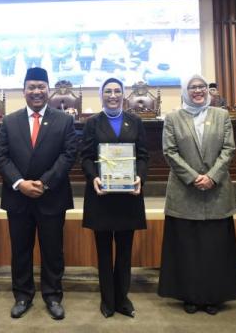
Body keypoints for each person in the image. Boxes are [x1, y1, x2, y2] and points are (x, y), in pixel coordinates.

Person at [0, 67, 77, 320]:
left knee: (53, 250)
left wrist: (43, 182)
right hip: (18, 196)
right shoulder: (10, 120)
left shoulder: (64, 120)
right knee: (20, 250)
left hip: (51, 195)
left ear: (48, 90)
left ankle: (53, 296)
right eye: (32, 87)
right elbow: (0, 156)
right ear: (24, 91)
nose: (37, 91)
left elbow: (68, 154)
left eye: (41, 86)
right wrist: (20, 183)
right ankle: (22, 295)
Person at [158, 74, 236, 315]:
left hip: (217, 192)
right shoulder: (173, 118)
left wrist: (212, 177)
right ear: (185, 91)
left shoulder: (222, 115)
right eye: (192, 87)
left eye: (202, 87)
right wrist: (194, 177)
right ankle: (190, 296)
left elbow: (229, 149)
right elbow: (170, 152)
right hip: (185, 192)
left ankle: (214, 296)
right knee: (187, 247)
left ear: (209, 90)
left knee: (215, 247)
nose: (198, 91)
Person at [80, 77, 149, 318]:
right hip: (102, 195)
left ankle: (123, 298)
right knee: (103, 250)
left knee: (124, 249)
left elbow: (143, 155)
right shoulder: (91, 123)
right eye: (107, 91)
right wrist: (93, 178)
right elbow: (85, 156)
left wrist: (140, 176)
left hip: (128, 196)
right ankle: (107, 299)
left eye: (117, 91)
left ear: (124, 95)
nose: (112, 95)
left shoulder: (135, 122)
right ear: (101, 95)